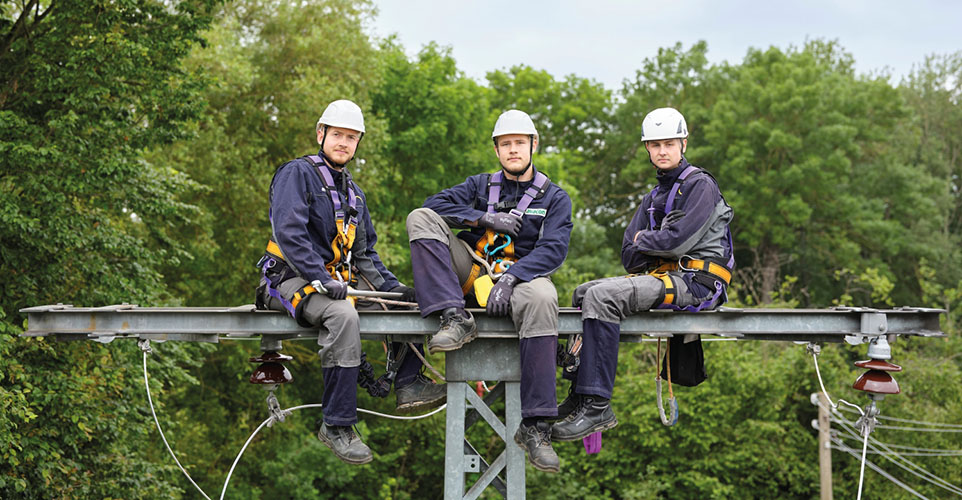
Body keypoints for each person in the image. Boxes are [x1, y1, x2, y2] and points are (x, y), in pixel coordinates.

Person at [255, 99, 445, 465]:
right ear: (321, 134)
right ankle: (337, 424)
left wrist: (394, 292)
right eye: (338, 135)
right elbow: (290, 233)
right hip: (288, 279)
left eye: (351, 137)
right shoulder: (296, 174)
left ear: (358, 143)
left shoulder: (353, 194)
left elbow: (365, 256)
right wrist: (319, 276)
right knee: (342, 316)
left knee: (412, 302)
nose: (343, 143)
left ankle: (408, 383)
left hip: (333, 282)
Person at [551, 107, 734, 442]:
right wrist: (653, 244)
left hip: (697, 283)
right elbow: (628, 256)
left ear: (683, 144)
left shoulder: (700, 186)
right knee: (583, 292)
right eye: (655, 145)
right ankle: (580, 393)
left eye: (669, 143)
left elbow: (678, 243)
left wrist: (646, 241)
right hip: (664, 279)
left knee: (604, 297)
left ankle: (598, 406)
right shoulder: (654, 197)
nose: (662, 151)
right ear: (647, 149)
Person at [405, 109, 573, 473]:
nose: (513, 150)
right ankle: (454, 315)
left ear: (533, 145)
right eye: (505, 144)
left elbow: (554, 248)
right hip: (474, 273)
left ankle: (536, 426)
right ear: (497, 149)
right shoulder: (479, 186)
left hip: (524, 279)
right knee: (419, 218)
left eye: (519, 143)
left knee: (544, 298)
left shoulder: (555, 198)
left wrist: (513, 278)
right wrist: (481, 217)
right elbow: (434, 206)